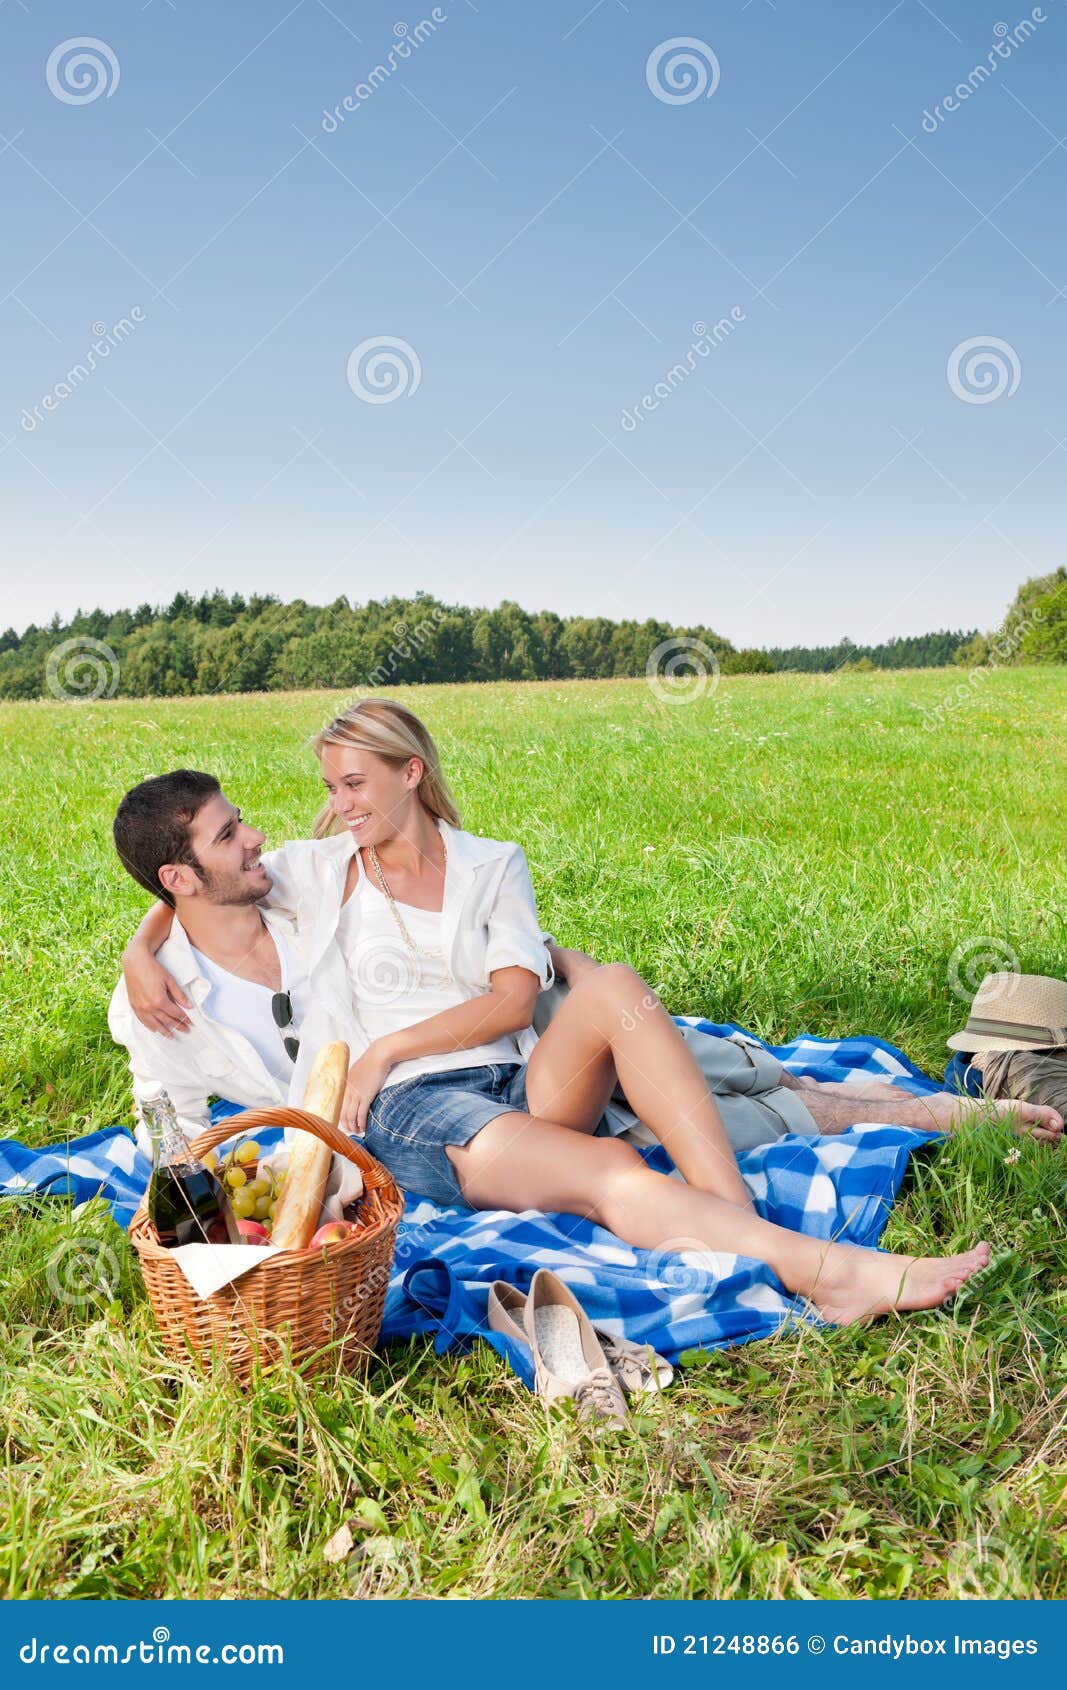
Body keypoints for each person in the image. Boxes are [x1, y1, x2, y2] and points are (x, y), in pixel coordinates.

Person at [113, 700, 1060, 1324]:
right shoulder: (161, 1000)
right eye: (233, 832)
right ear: (184, 872)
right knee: (612, 1159)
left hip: (508, 1071)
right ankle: (824, 1271)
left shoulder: (305, 878)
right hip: (408, 1109)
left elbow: (220, 883)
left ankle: (739, 1230)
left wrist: (149, 929)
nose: (265, 834)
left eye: (248, 822)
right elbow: (180, 1145)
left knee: (634, 1011)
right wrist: (146, 950)